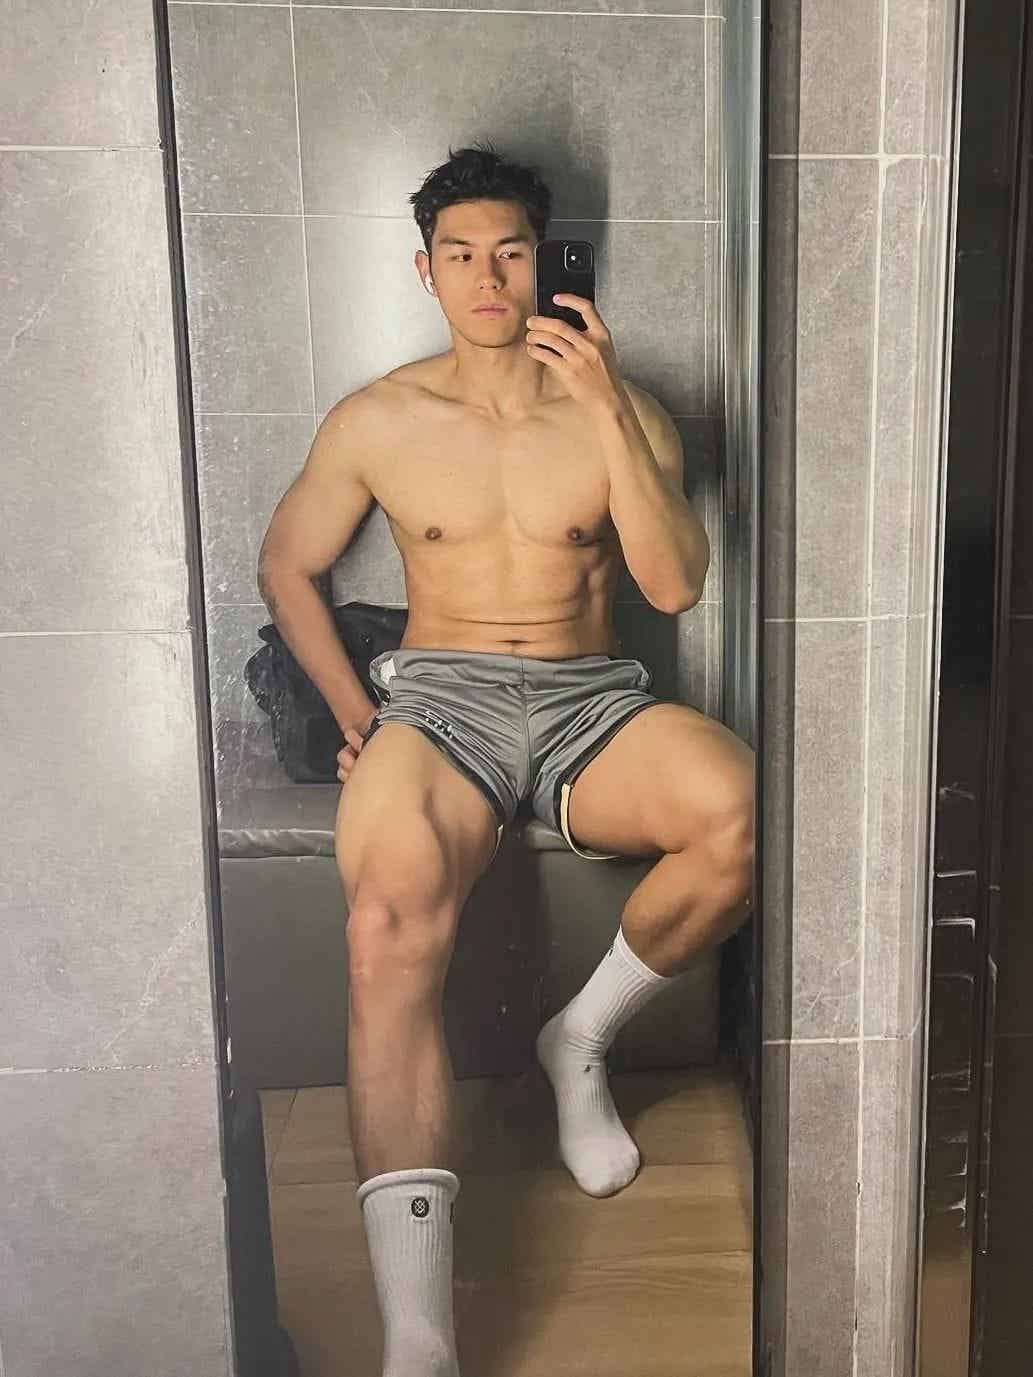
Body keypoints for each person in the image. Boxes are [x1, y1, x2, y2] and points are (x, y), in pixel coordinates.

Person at [256, 141, 755, 1377]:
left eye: (513, 253)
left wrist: (603, 403)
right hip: (442, 705)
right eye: (462, 256)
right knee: (384, 922)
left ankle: (576, 1041)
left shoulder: (623, 409)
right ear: (424, 271)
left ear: (549, 263)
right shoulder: (379, 418)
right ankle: (419, 1335)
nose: (489, 280)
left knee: (742, 814)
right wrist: (354, 714)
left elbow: (673, 587)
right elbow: (287, 565)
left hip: (593, 699)